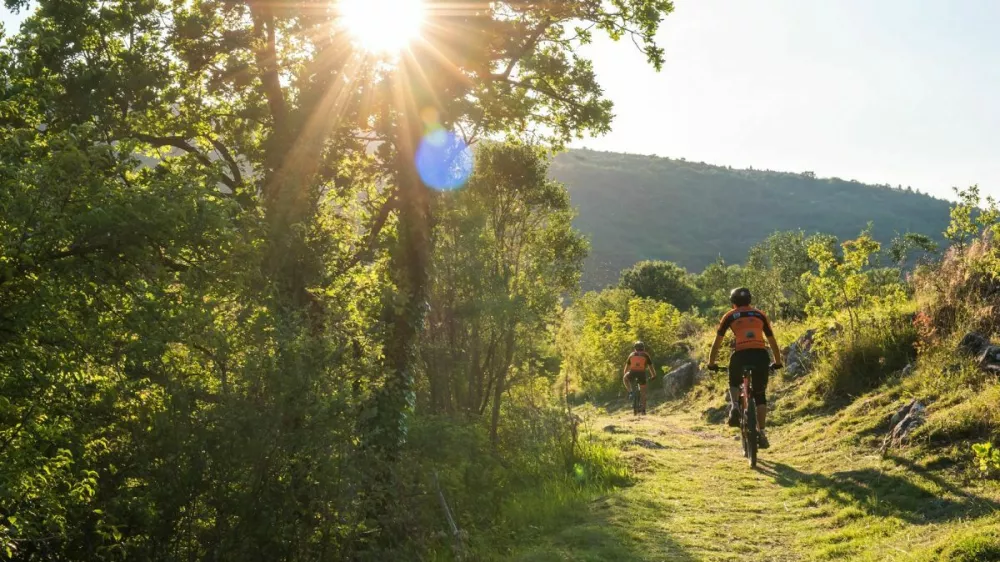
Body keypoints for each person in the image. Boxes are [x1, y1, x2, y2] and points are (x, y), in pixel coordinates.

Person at [707, 288, 783, 449]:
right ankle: (761, 432)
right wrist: (778, 361)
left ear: (733, 303)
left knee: (734, 380)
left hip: (740, 355)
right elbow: (772, 340)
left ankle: (735, 405)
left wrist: (711, 363)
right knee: (760, 395)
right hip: (760, 355)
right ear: (750, 301)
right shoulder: (759, 314)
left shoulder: (730, 315)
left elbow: (717, 342)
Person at [623, 341, 656, 415]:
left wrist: (626, 376)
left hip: (632, 374)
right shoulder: (646, 355)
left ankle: (630, 392)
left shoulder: (631, 355)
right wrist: (654, 375)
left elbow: (626, 369)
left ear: (635, 348)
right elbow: (651, 367)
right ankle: (643, 411)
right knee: (643, 392)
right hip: (641, 374)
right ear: (643, 348)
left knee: (624, 378)